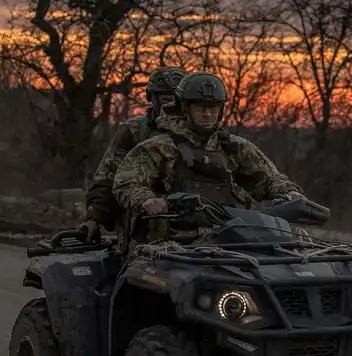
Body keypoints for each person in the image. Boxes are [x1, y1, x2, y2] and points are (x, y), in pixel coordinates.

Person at [112, 72, 305, 221]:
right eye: (200, 107)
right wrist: (146, 199)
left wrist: (289, 193)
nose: (207, 114)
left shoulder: (235, 147)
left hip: (230, 238)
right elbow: (126, 182)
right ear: (185, 109)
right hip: (170, 244)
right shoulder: (159, 147)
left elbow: (268, 178)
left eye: (213, 108)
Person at [77, 65, 187, 242]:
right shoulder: (136, 131)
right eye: (168, 100)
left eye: (179, 102)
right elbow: (108, 176)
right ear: (153, 99)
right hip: (145, 223)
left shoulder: (200, 133)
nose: (173, 107)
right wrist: (94, 219)